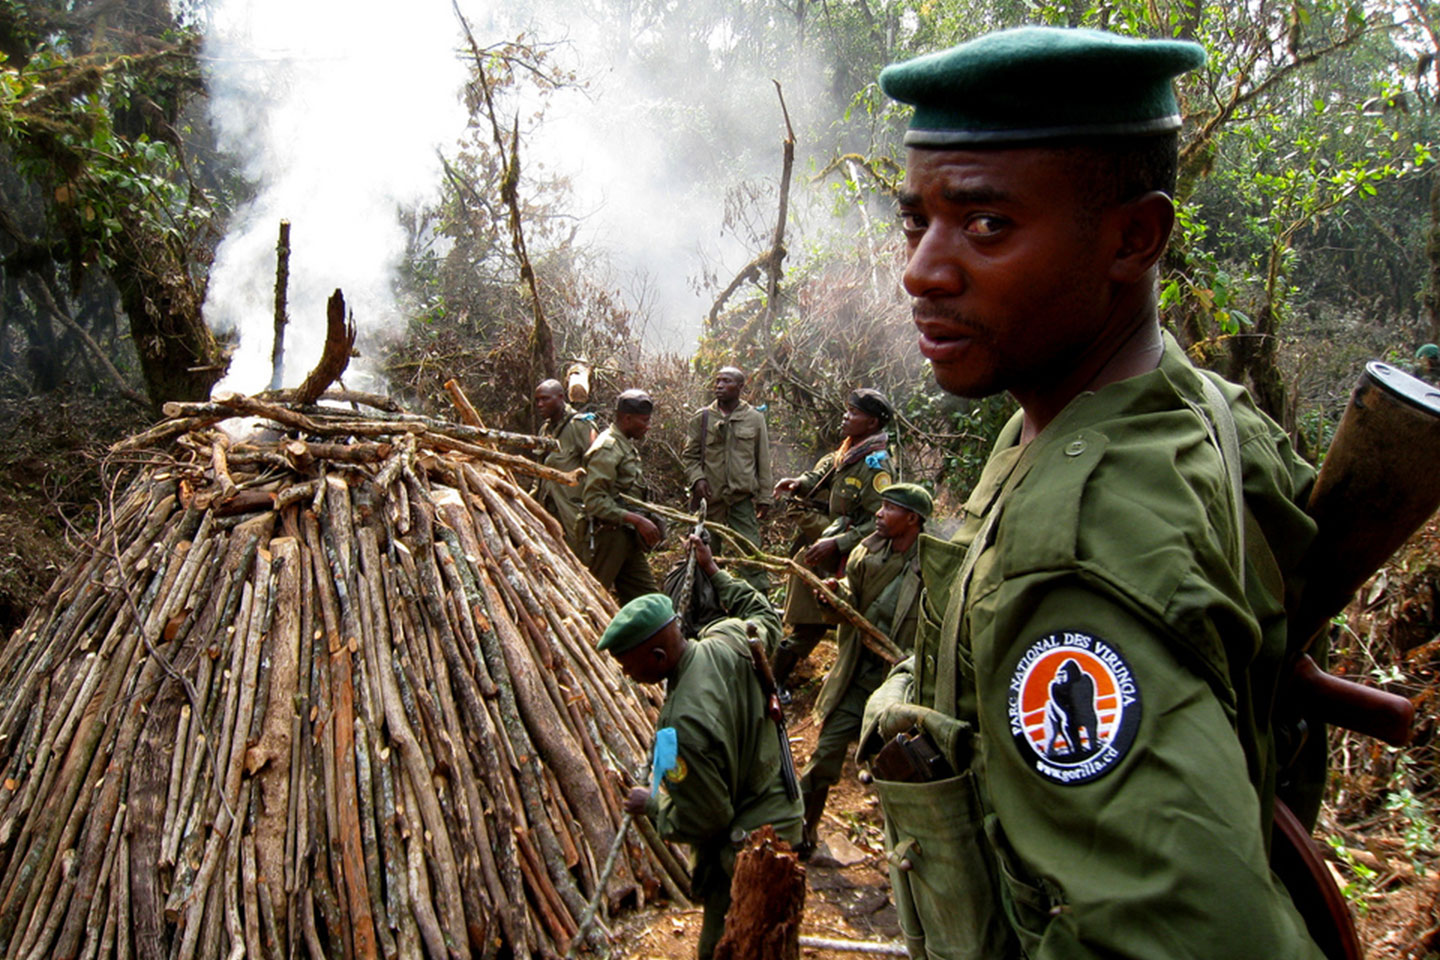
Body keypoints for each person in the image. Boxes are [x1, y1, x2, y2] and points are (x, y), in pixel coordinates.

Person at [858, 27, 1326, 959]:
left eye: (987, 224)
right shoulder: (1184, 407)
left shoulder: (1075, 556)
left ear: (1134, 238)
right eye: (918, 221)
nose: (921, 269)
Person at [600, 537, 801, 960]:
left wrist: (651, 805)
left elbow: (707, 817)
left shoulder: (684, 723)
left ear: (657, 656)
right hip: (782, 808)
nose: (627, 676)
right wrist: (714, 571)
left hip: (749, 846)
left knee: (732, 946)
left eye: (628, 666)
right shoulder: (729, 638)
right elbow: (764, 613)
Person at [797, 481, 930, 861]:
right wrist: (835, 595)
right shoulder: (866, 554)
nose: (878, 513)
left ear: (912, 519)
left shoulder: (933, 567)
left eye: (889, 508)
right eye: (881, 505)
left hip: (901, 688)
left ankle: (912, 854)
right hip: (858, 677)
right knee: (824, 756)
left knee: (901, 772)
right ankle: (800, 834)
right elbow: (850, 601)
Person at [772, 388, 895, 700]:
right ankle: (776, 682)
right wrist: (799, 483)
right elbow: (822, 473)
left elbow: (877, 522)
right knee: (810, 615)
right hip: (831, 546)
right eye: (847, 410)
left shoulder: (876, 466)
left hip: (855, 557)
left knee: (844, 623)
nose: (846, 416)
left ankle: (847, 694)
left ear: (872, 423)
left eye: (854, 413)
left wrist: (839, 543)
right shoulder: (847, 452)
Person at [681, 365, 774, 591]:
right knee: (706, 552)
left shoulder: (754, 418)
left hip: (740, 500)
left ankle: (757, 602)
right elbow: (689, 456)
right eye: (717, 381)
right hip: (710, 502)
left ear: (741, 387)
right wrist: (698, 479)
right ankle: (706, 603)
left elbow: (762, 459)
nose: (719, 386)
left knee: (750, 551)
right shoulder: (702, 418)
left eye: (726, 381)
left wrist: (765, 497)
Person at [583, 389, 662, 603]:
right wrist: (637, 520)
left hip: (626, 537)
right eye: (644, 420)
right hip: (606, 538)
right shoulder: (608, 448)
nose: (648, 426)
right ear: (627, 419)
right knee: (591, 600)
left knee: (649, 603)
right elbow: (594, 501)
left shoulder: (624, 445)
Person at [533, 378, 599, 558]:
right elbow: (539, 471)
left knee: (580, 561)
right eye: (537, 400)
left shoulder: (580, 425)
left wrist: (594, 506)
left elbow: (598, 466)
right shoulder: (545, 430)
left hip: (573, 512)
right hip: (548, 509)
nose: (540, 404)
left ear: (561, 397)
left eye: (545, 399)